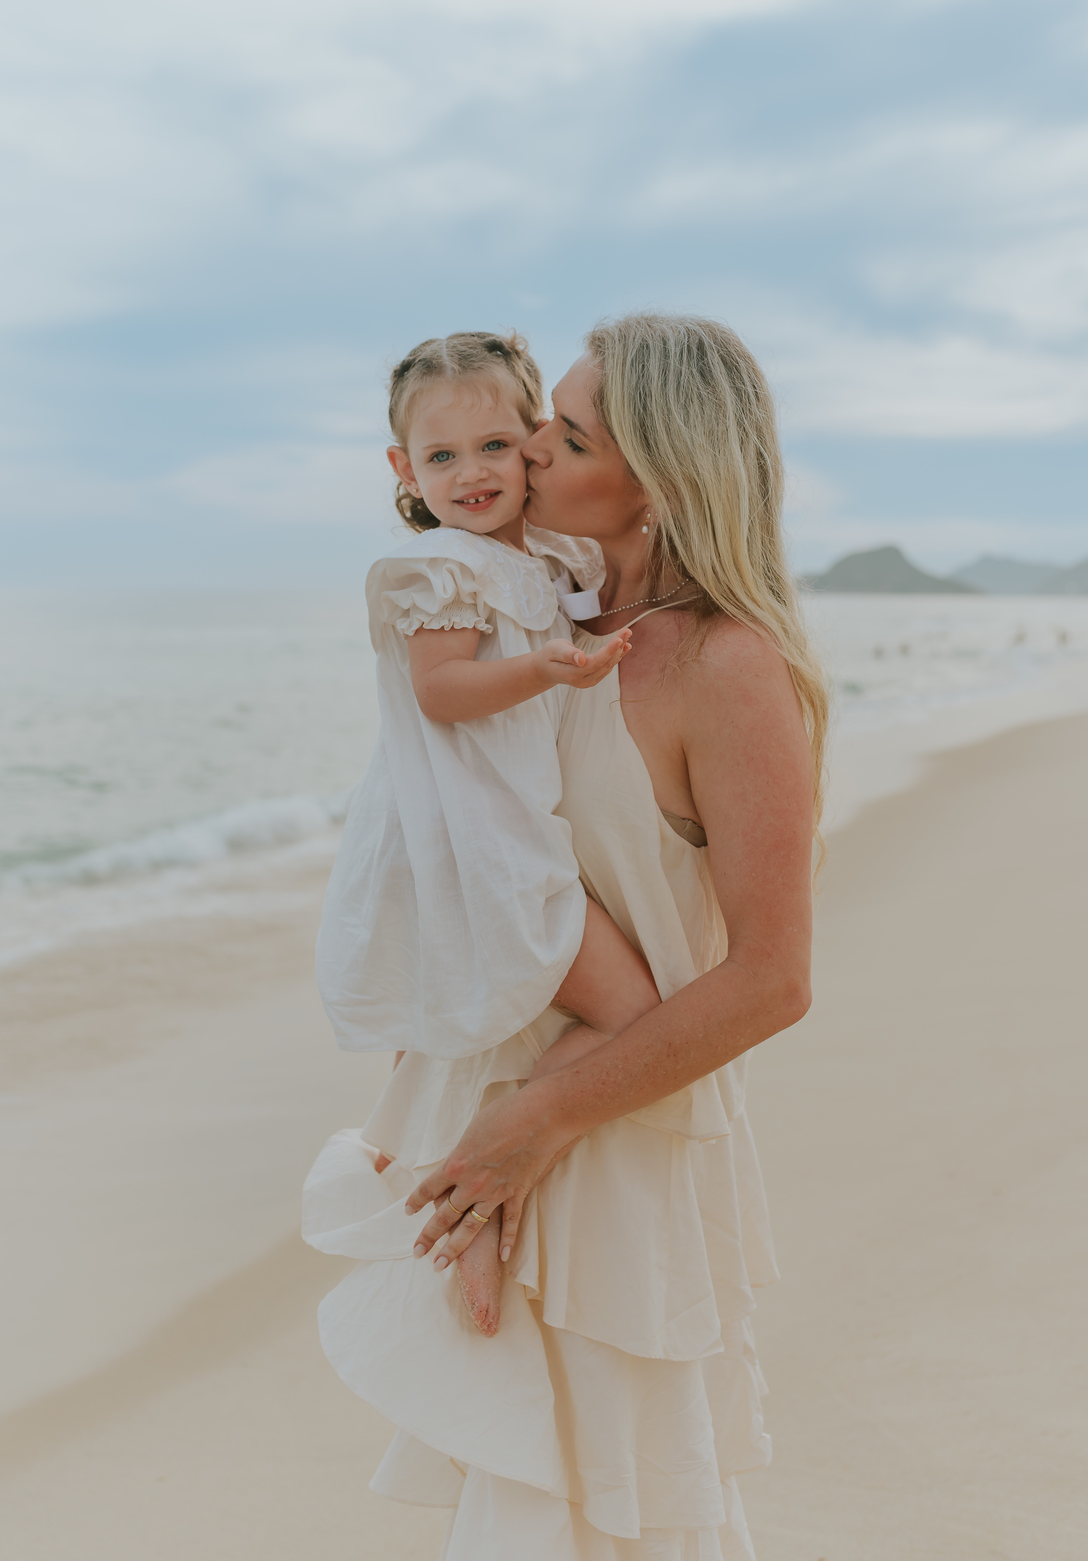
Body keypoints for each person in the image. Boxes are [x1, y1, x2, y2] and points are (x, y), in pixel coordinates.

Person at [304, 313, 827, 1559]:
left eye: (565, 431)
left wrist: (532, 1124)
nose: (529, 448)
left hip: (608, 1134)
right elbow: (468, 842)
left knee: (614, 1508)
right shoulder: (548, 611)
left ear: (654, 474)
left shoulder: (728, 664)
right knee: (520, 1508)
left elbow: (773, 979)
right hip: (487, 1123)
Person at [315, 329, 656, 1334]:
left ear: (537, 441)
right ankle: (473, 1188)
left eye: (496, 447)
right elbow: (445, 691)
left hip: (513, 823)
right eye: (442, 456)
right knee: (630, 1012)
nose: (471, 475)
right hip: (472, 836)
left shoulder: (549, 554)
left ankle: (443, 1181)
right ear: (402, 470)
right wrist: (546, 668)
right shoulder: (442, 567)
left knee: (464, 1032)